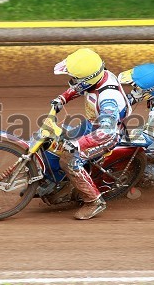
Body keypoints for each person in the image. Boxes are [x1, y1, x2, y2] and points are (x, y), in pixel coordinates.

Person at [51, 48, 131, 220]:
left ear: (88, 78)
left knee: (69, 160)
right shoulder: (98, 76)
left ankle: (94, 201)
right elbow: (81, 86)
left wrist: (78, 144)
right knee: (57, 140)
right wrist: (63, 98)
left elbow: (106, 132)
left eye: (75, 78)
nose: (72, 81)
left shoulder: (108, 98)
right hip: (91, 125)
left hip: (106, 135)